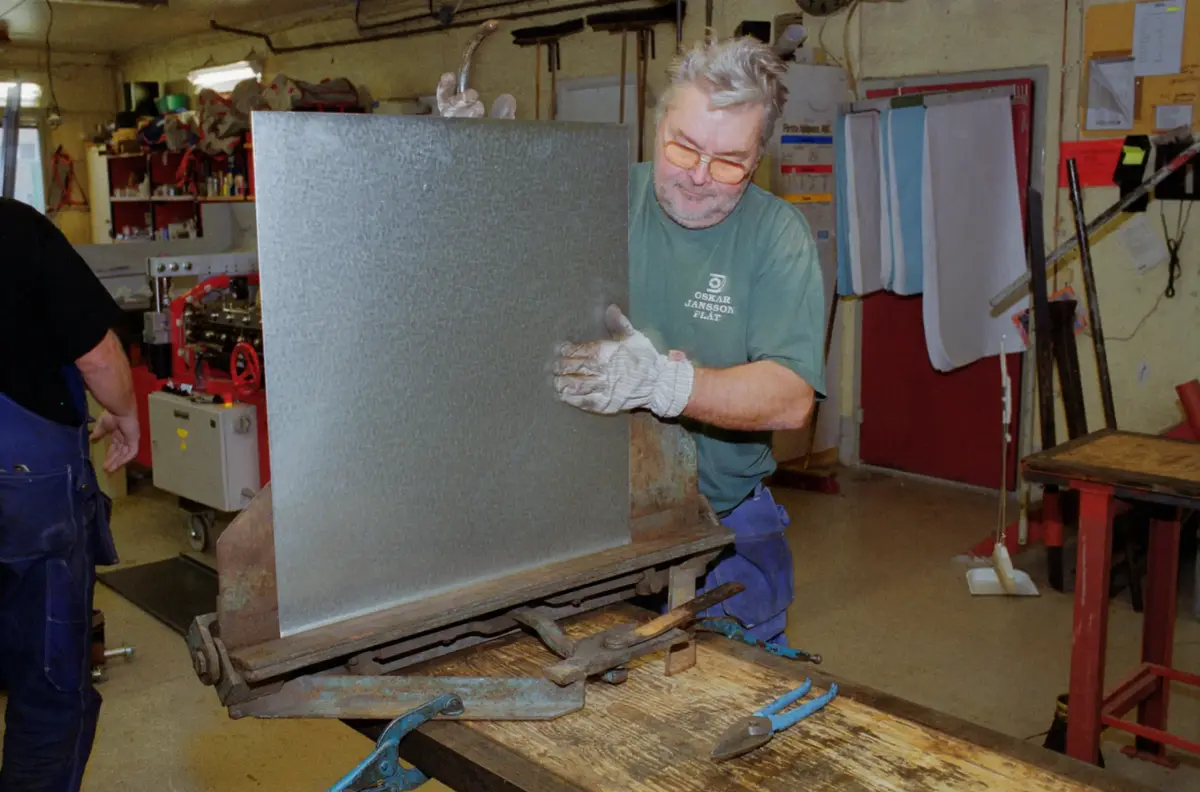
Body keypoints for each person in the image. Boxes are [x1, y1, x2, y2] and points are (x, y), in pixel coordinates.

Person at [436, 35, 825, 645]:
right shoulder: (601, 194)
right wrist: (471, 165)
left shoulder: (778, 235)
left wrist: (664, 384)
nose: (699, 176)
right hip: (583, 524)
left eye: (729, 162)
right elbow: (503, 257)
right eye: (683, 146)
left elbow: (791, 396)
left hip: (721, 531)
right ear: (657, 123)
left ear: (757, 159)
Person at [0, 196, 139, 791]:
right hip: (25, 488)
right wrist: (125, 412)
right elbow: (97, 355)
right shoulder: (14, 227)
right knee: (49, 692)